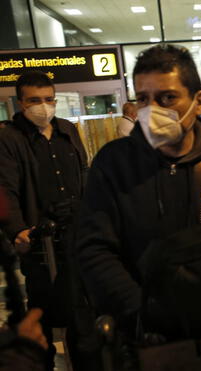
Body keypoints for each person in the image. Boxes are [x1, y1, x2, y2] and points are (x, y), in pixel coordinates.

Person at [75, 44, 201, 335]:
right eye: (143, 99)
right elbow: (94, 248)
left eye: (167, 97)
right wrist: (142, 313)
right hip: (148, 334)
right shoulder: (114, 164)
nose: (153, 110)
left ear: (199, 101)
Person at [0, 71, 88, 369]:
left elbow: (84, 173)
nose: (44, 106)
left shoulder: (67, 130)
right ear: (20, 103)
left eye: (49, 99)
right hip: (39, 242)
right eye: (35, 100)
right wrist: (18, 231)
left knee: (80, 306)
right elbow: (7, 188)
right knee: (44, 311)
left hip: (76, 235)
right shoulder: (9, 138)